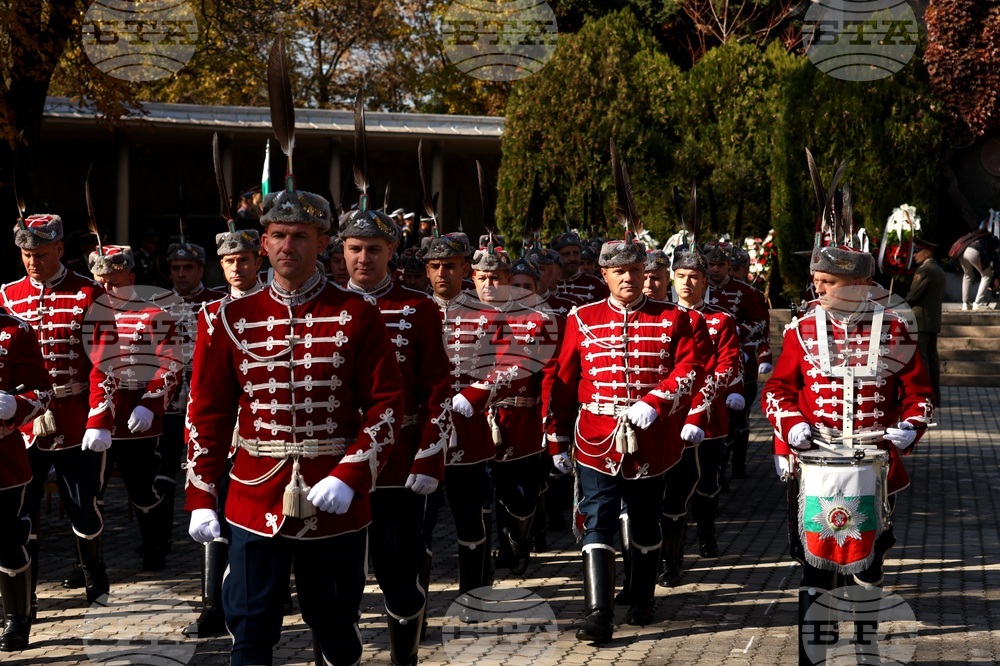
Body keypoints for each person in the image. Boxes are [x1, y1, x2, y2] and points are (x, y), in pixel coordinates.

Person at [185, 185, 404, 666]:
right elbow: (208, 413)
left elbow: (386, 406)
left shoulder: (357, 314)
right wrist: (202, 496)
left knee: (334, 625)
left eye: (301, 236)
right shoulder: (226, 317)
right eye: (279, 235)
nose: (289, 246)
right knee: (249, 627)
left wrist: (351, 475)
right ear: (263, 243)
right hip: (251, 492)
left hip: (334, 493)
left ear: (323, 242)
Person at [762, 243, 934, 666]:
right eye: (817, 281)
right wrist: (790, 425)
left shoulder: (894, 329)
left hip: (873, 465)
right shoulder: (801, 329)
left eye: (829, 282)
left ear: (859, 285)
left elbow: (918, 394)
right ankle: (812, 654)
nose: (818, 288)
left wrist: (912, 426)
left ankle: (865, 649)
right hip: (816, 463)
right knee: (814, 562)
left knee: (867, 561)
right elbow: (778, 390)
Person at [546, 234, 702, 643]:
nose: (629, 278)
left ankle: (642, 596)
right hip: (596, 436)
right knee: (597, 518)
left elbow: (689, 369)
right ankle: (598, 613)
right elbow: (564, 381)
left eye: (636, 270)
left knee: (646, 520)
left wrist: (656, 400)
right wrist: (556, 437)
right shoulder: (582, 318)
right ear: (605, 275)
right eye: (620, 272)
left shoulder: (672, 317)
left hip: (651, 436)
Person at [341, 203, 450, 666]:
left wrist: (428, 458)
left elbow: (439, 389)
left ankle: (404, 657)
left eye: (373, 249)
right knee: (336, 578)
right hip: (336, 463)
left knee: (399, 574)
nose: (363, 259)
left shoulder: (418, 308)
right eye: (354, 249)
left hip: (398, 464)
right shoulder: (324, 306)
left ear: (392, 251)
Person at [1, 213, 115, 612]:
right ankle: (24, 599)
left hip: (74, 416)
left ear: (60, 249)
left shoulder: (88, 293)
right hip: (26, 421)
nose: (33, 261)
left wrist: (99, 418)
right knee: (23, 511)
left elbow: (105, 360)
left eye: (41, 253)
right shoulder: (8, 295)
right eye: (26, 254)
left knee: (83, 506)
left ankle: (94, 577)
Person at [182, 226, 263, 638]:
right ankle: (212, 606)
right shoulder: (211, 313)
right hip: (219, 432)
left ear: (257, 262)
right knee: (209, 512)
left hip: (261, 431)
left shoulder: (272, 307)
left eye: (244, 260)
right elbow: (203, 383)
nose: (236, 267)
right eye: (229, 261)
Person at [86, 245, 181, 572]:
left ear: (131, 277)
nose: (108, 289)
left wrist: (150, 403)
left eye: (114, 282)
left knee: (142, 488)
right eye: (101, 282)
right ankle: (88, 561)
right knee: (89, 493)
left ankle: (156, 545)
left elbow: (169, 364)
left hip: (135, 414)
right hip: (94, 417)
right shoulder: (90, 314)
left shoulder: (153, 314)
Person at [424, 233, 497, 599]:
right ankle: (415, 595)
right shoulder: (415, 312)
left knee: (470, 517)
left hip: (468, 431)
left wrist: (476, 394)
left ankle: (476, 592)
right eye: (435, 266)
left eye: (450, 266)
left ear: (465, 269)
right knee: (420, 522)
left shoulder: (487, 315)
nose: (442, 273)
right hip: (423, 435)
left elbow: (509, 366)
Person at [662, 247, 742, 581]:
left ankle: (706, 533)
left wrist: (708, 392)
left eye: (694, 276)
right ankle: (672, 557)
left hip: (709, 415)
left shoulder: (721, 319)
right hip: (670, 414)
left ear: (705, 281)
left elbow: (728, 363)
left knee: (707, 482)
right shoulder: (662, 317)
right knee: (673, 487)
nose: (687, 283)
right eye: (680, 276)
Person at [151, 238, 225, 569]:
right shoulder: (155, 303)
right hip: (167, 401)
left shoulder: (218, 302)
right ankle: (157, 541)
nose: (181, 275)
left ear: (200, 269)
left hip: (206, 399)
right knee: (162, 471)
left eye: (188, 268)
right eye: (176, 268)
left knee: (210, 469)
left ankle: (218, 538)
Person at [0, 314, 53, 651]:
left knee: (6, 538)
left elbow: (43, 391)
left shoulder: (14, 331)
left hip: (2, 459)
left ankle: (16, 620)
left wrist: (15, 405)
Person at [703, 241, 768, 482]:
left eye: (721, 265)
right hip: (703, 363)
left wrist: (737, 332)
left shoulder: (746, 292)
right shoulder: (696, 287)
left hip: (738, 362)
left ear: (729, 266)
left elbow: (760, 323)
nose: (715, 270)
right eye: (711, 265)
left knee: (735, 420)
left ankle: (726, 466)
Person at [906, 240, 945, 405]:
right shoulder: (938, 270)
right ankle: (935, 395)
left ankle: (927, 396)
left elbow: (914, 295)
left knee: (923, 360)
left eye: (917, 251)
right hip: (932, 320)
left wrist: (898, 304)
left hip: (921, 321)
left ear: (927, 252)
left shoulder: (925, 270)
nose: (914, 255)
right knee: (932, 359)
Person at [550, 231, 610, 304]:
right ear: (556, 257)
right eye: (566, 254)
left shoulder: (597, 285)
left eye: (576, 253)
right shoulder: (547, 284)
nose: (572, 258)